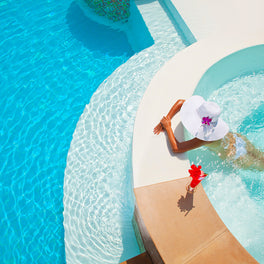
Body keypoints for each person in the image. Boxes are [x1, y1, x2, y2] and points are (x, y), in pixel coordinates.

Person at [154, 95, 264, 171]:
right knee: (260, 156)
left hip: (237, 157)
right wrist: (167, 118)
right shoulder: (212, 123)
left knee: (261, 166)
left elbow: (177, 148)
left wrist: (168, 127)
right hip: (238, 140)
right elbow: (181, 102)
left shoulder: (205, 137)